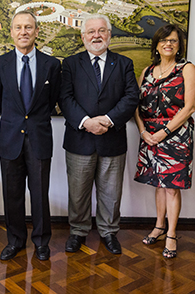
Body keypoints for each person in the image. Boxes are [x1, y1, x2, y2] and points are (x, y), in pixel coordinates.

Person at [59, 14, 139, 254]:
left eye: (102, 31)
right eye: (91, 31)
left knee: (111, 193)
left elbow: (131, 96)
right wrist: (86, 122)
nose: (96, 35)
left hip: (112, 139)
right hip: (79, 139)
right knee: (78, 191)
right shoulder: (71, 64)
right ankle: (78, 231)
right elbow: (64, 98)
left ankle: (109, 232)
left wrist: (107, 120)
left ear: (109, 35)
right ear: (83, 36)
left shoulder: (123, 63)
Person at [0, 11, 61, 261]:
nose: (23, 32)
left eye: (28, 27)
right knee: (12, 193)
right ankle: (15, 241)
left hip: (40, 138)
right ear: (11, 32)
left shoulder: (52, 65)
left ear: (36, 31)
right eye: (18, 27)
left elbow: (51, 101)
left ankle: (41, 241)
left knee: (40, 194)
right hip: (10, 139)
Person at [134, 24, 195, 258]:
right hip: (149, 135)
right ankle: (159, 226)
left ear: (179, 44)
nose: (168, 44)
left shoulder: (187, 69)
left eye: (173, 40)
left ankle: (171, 233)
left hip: (176, 134)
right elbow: (137, 106)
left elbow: (190, 107)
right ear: (157, 45)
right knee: (157, 184)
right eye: (164, 40)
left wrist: (163, 132)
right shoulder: (147, 71)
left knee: (171, 187)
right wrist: (143, 132)